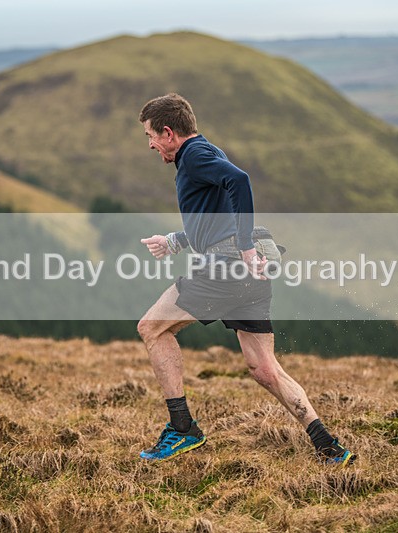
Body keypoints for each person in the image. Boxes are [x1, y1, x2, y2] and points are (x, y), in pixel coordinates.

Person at [136, 93, 356, 466]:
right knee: (265, 369)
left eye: (151, 137)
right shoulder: (207, 151)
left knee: (153, 329)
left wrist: (244, 248)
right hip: (247, 274)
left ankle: (182, 428)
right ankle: (327, 446)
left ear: (169, 132)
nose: (152, 145)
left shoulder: (195, 156)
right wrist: (175, 241)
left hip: (227, 268)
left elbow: (241, 181)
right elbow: (217, 215)